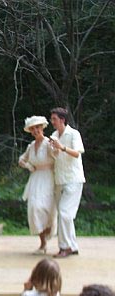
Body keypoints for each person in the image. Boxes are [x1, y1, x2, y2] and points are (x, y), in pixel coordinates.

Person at [48, 107, 85, 258]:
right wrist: (54, 150)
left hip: (73, 179)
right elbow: (54, 156)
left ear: (62, 120)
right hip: (59, 180)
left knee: (64, 213)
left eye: (54, 119)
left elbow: (77, 153)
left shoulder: (74, 134)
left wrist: (61, 147)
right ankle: (73, 246)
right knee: (66, 215)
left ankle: (65, 247)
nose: (52, 122)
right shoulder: (54, 135)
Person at [19, 116, 57, 255]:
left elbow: (56, 156)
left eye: (37, 127)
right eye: (32, 129)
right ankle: (42, 243)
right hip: (35, 179)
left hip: (48, 178)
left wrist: (56, 149)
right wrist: (28, 165)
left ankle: (49, 229)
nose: (35, 130)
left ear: (42, 128)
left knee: (46, 207)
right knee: (34, 207)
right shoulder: (31, 146)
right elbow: (21, 159)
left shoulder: (48, 143)